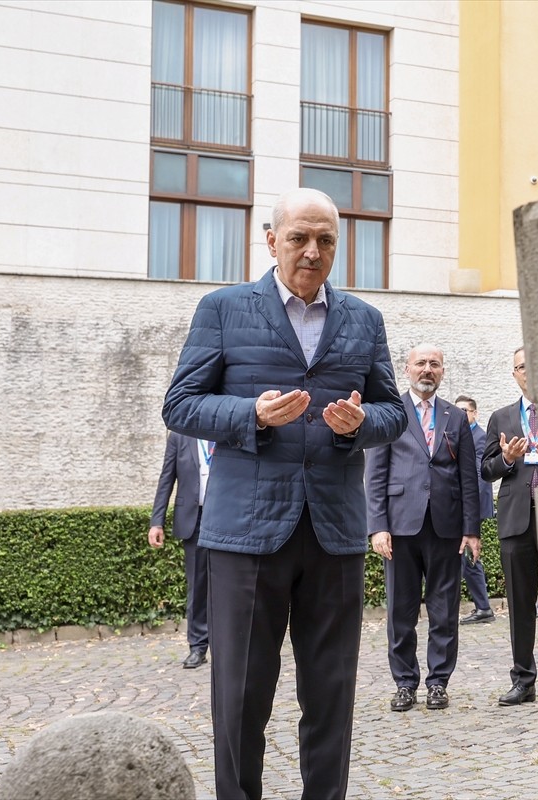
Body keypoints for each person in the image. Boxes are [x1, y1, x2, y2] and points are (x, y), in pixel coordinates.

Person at [161, 187, 406, 800]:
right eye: (299, 238)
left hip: (335, 532)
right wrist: (250, 413)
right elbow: (180, 404)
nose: (312, 251)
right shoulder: (222, 309)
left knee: (331, 694)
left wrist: (361, 424)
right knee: (240, 696)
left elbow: (393, 412)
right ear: (271, 241)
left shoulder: (364, 320)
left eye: (325, 240)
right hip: (246, 535)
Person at [366, 346, 480, 712]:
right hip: (400, 526)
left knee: (444, 609)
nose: (427, 370)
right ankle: (404, 682)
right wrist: (377, 526)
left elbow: (468, 477)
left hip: (446, 526)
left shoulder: (455, 417)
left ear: (443, 371)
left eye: (434, 364)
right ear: (407, 369)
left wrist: (471, 529)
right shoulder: (391, 412)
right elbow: (375, 473)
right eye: (421, 363)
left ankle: (438, 682)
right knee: (400, 610)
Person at [482, 346, 538, 706]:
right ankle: (523, 679)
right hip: (518, 517)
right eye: (522, 366)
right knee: (520, 603)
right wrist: (506, 458)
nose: (528, 371)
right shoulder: (501, 417)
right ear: (515, 374)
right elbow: (485, 469)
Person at [148, 432, 212, 669]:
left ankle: (227, 646)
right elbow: (167, 478)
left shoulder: (225, 429)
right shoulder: (179, 436)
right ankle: (198, 647)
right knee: (197, 585)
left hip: (225, 518)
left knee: (229, 585)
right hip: (193, 519)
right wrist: (157, 522)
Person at [455, 395, 496, 624]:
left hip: (471, 508)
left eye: (465, 411)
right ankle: (483, 607)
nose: (461, 415)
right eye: (457, 411)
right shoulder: (459, 435)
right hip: (460, 507)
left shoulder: (479, 437)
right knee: (465, 557)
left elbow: (480, 477)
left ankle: (483, 608)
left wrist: (469, 511)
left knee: (467, 556)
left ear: (475, 413)